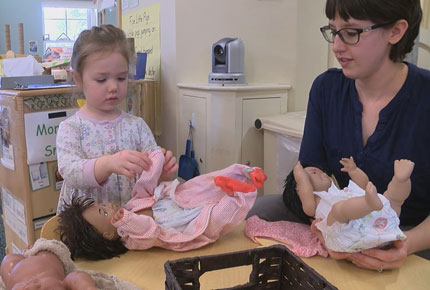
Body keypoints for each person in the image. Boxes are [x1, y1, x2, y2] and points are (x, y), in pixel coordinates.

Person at [247, 0, 430, 270]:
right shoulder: (326, 88)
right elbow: (313, 167)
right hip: (342, 216)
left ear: (395, 31)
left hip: (411, 229)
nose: (337, 46)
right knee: (262, 211)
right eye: (334, 31)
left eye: (351, 32)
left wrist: (405, 244)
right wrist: (321, 218)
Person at [58, 148, 266, 260]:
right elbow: (150, 230)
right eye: (104, 212)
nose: (110, 206)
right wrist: (126, 221)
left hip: (179, 202)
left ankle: (242, 173)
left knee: (204, 183)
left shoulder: (130, 207)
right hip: (189, 225)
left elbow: (145, 188)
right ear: (108, 235)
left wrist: (154, 163)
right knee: (220, 216)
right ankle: (242, 193)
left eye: (103, 205)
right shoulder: (131, 240)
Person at [56, 24, 177, 212]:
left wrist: (162, 171)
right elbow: (70, 171)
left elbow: (148, 174)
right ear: (78, 79)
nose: (113, 86)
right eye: (102, 80)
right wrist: (108, 163)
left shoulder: (137, 126)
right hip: (87, 225)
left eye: (121, 78)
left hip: (130, 219)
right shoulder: (71, 128)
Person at [285, 158, 413, 252]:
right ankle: (369, 204)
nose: (323, 174)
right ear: (299, 189)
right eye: (314, 173)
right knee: (338, 209)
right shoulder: (312, 204)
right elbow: (303, 187)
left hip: (379, 226)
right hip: (346, 235)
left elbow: (364, 184)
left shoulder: (344, 192)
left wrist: (354, 170)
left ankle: (401, 180)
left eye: (324, 173)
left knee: (392, 200)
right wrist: (299, 173)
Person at [0, 251, 96, 290]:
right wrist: (88, 287)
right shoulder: (61, 285)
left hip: (15, 270)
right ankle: (34, 249)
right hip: (44, 259)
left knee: (8, 262)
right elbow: (76, 277)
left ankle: (24, 252)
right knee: (48, 253)